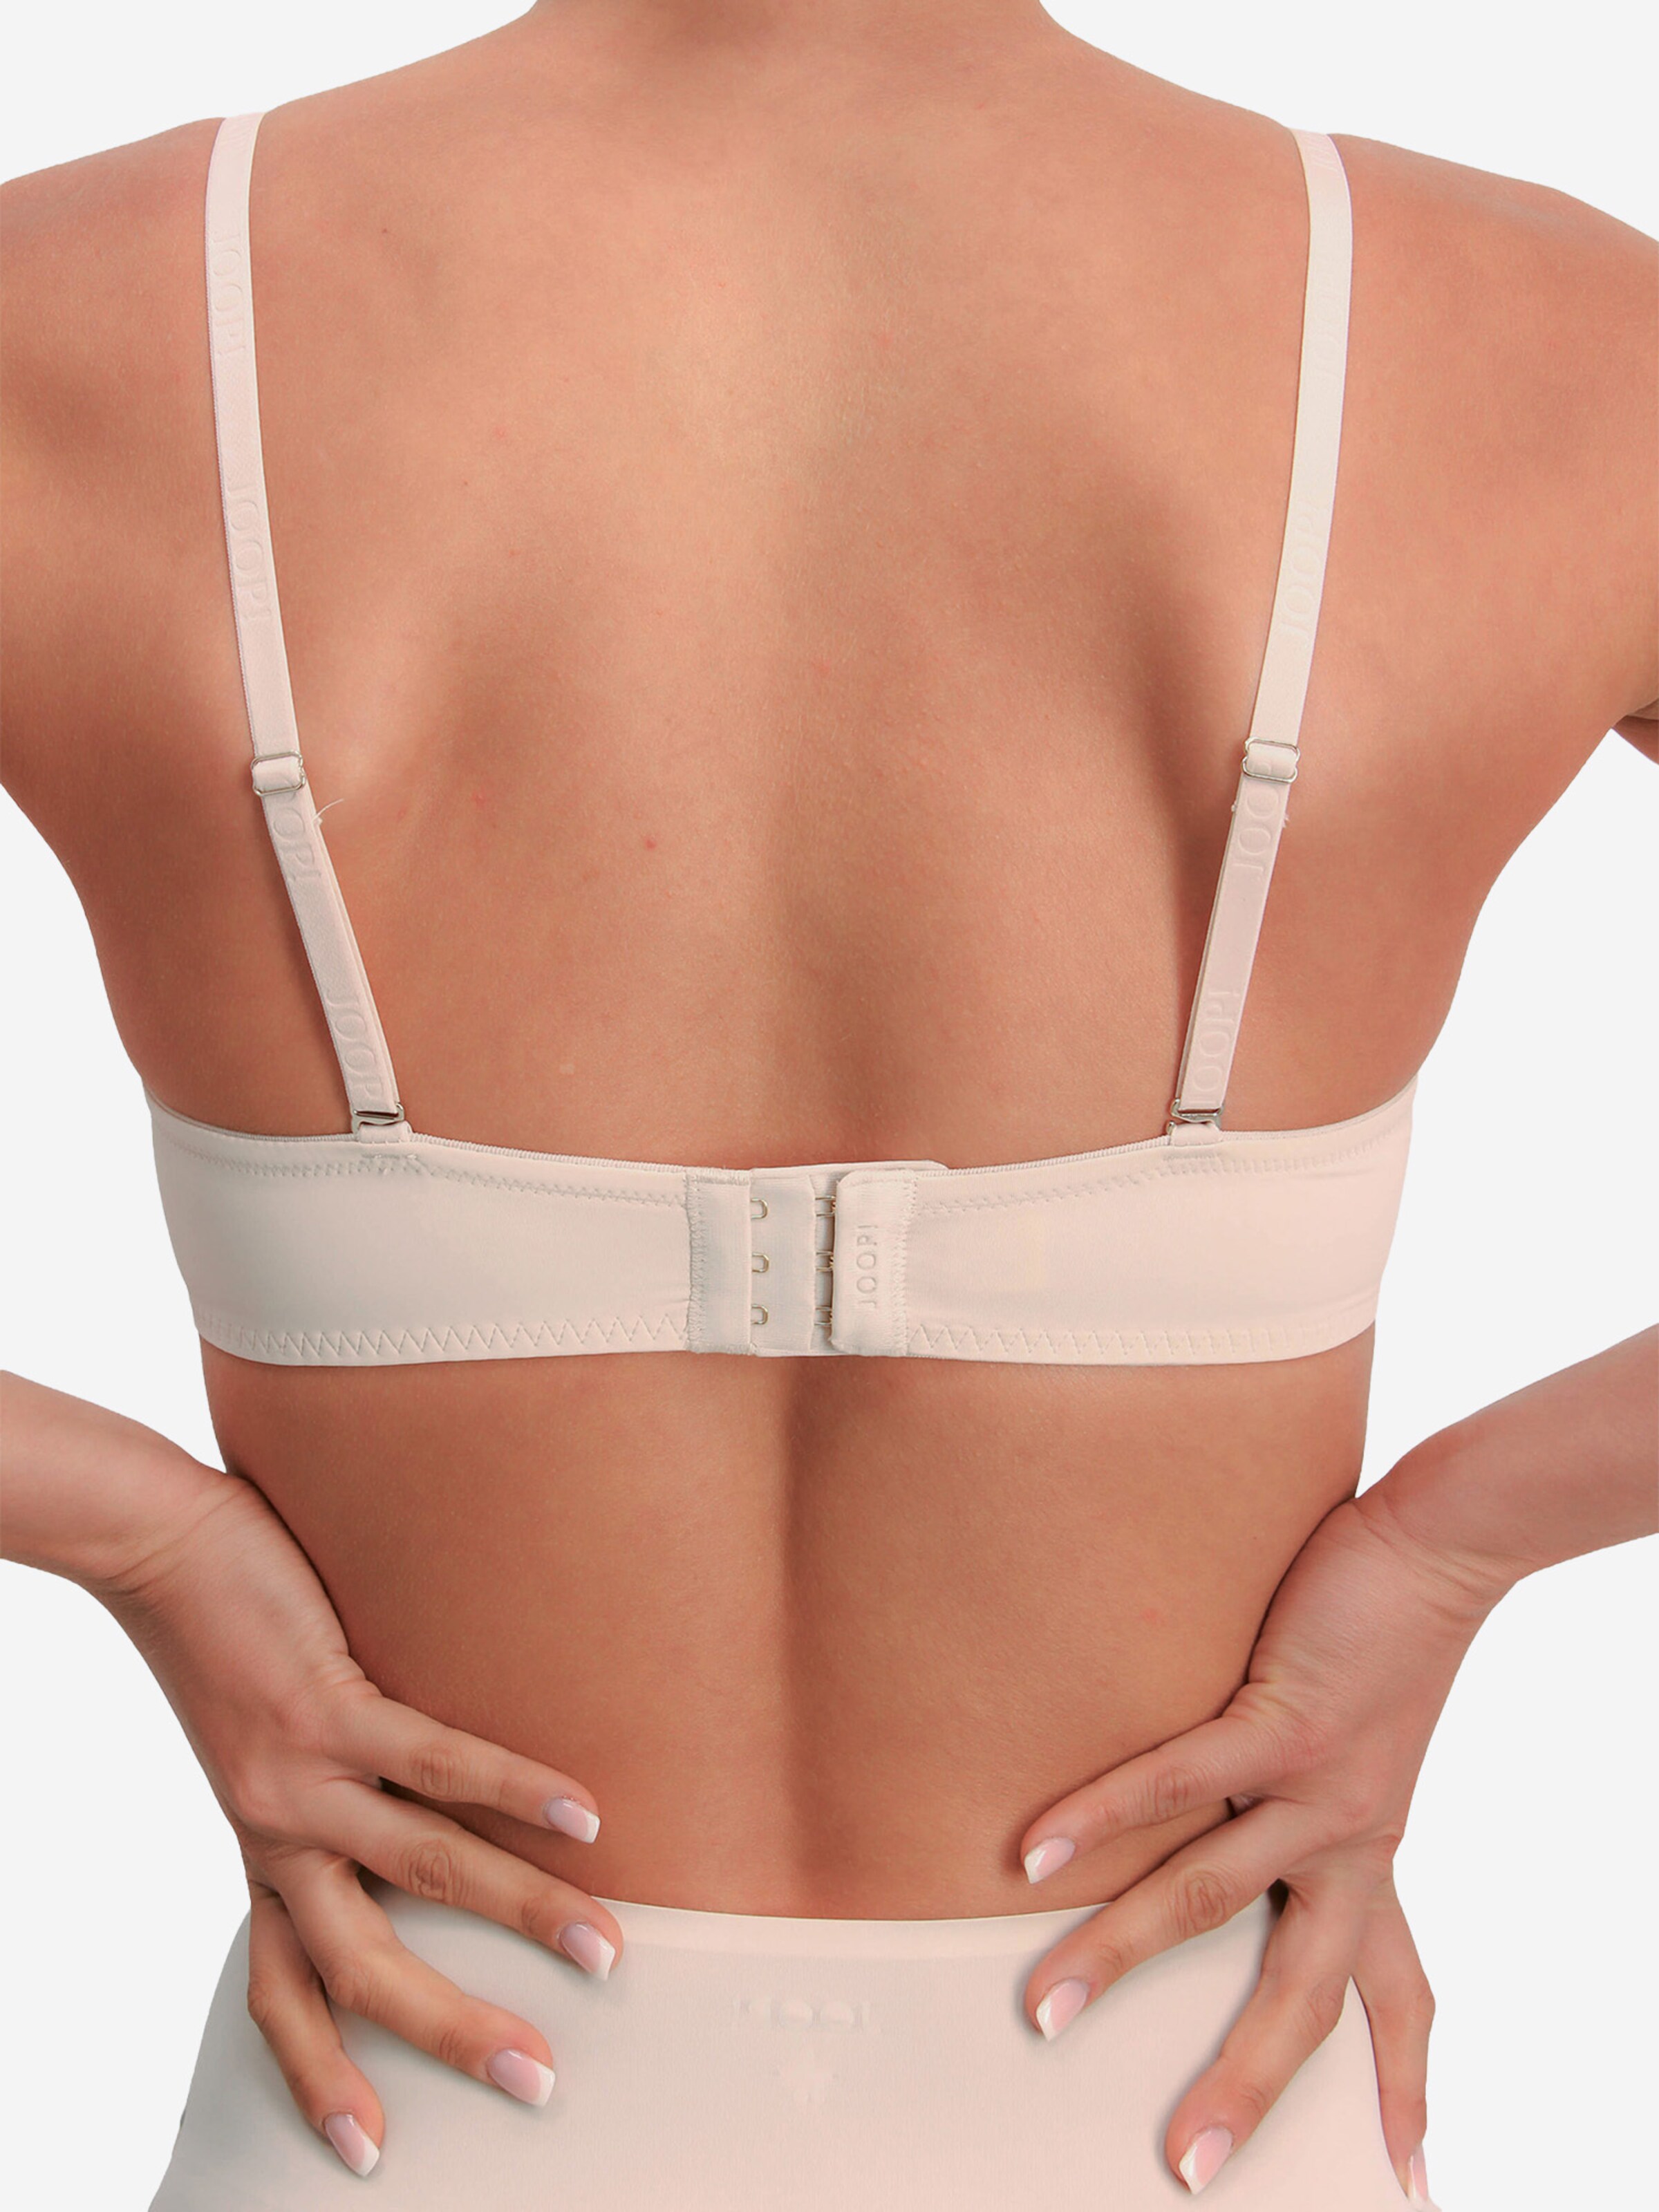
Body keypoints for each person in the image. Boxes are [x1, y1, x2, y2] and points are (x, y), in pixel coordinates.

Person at [1, 2, 1653, 2205]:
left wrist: (139, 1530)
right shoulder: (1548, 344)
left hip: (406, 2101)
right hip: (1192, 2103)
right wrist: (1455, 1544)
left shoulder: (71, 317)